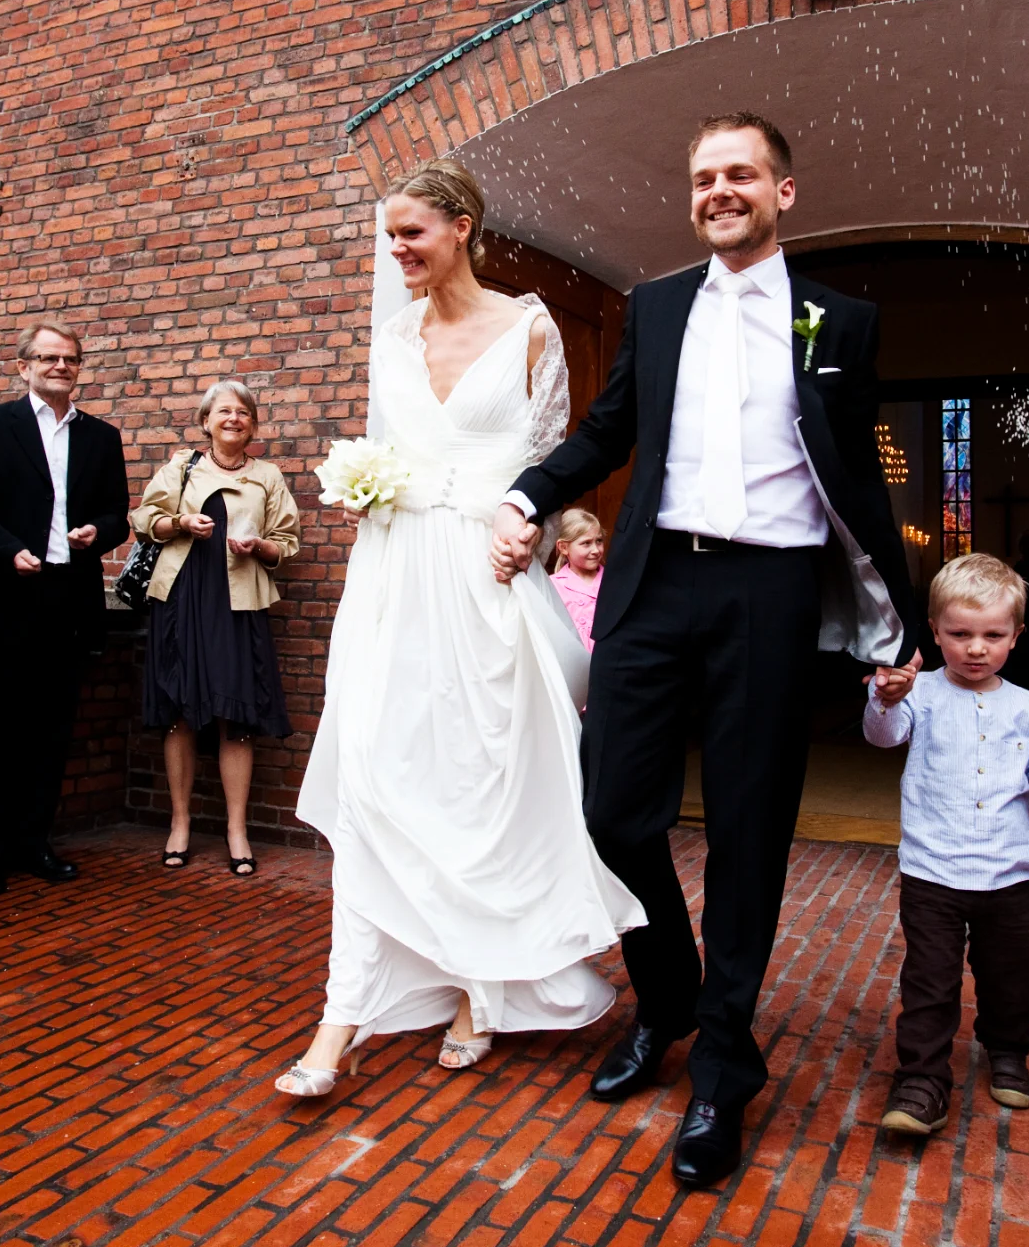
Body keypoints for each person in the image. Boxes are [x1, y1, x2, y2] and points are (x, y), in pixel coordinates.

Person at [490, 113, 928, 1188]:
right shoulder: (655, 304)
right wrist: (524, 493)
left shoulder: (842, 319)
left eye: (740, 174)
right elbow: (604, 432)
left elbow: (858, 474)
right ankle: (671, 988)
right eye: (702, 177)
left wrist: (898, 614)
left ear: (784, 191)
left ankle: (724, 1062)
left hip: (769, 591)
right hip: (654, 582)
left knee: (748, 827)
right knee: (610, 807)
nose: (718, 189)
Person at [278, 159, 642, 1096]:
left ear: (462, 227)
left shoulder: (528, 327)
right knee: (371, 776)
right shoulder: (392, 337)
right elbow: (388, 449)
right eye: (388, 235)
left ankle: (484, 990)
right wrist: (365, 492)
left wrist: (531, 531)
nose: (396, 249)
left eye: (412, 233)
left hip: (485, 577)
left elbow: (550, 461)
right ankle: (341, 1015)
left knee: (482, 784)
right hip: (394, 575)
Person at [864, 555, 1029, 1137]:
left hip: (1008, 872)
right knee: (929, 981)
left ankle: (1008, 1051)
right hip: (933, 870)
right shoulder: (921, 694)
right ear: (935, 632)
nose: (976, 648)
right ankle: (922, 1080)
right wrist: (885, 698)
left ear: (1016, 636)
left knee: (1013, 976)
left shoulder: (1027, 706)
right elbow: (883, 736)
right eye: (959, 634)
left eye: (992, 635)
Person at [0, 319, 129, 895]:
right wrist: (9, 551)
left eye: (70, 359)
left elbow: (116, 513)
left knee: (52, 732)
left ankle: (34, 843)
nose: (60, 367)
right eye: (48, 358)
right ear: (23, 365)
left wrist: (94, 534)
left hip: (67, 598)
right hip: (6, 595)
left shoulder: (101, 437)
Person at [134, 380, 300, 875]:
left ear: (254, 424)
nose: (234, 418)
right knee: (178, 713)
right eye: (223, 411)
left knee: (238, 715)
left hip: (238, 605)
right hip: (182, 600)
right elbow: (144, 519)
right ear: (205, 421)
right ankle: (180, 824)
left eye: (244, 412)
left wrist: (259, 547)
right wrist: (181, 523)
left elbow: (287, 541)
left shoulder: (267, 475)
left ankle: (236, 829)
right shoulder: (182, 466)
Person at [549, 507, 605, 650]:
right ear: (563, 547)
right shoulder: (553, 586)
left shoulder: (614, 580)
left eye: (599, 541)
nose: (596, 550)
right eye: (586, 543)